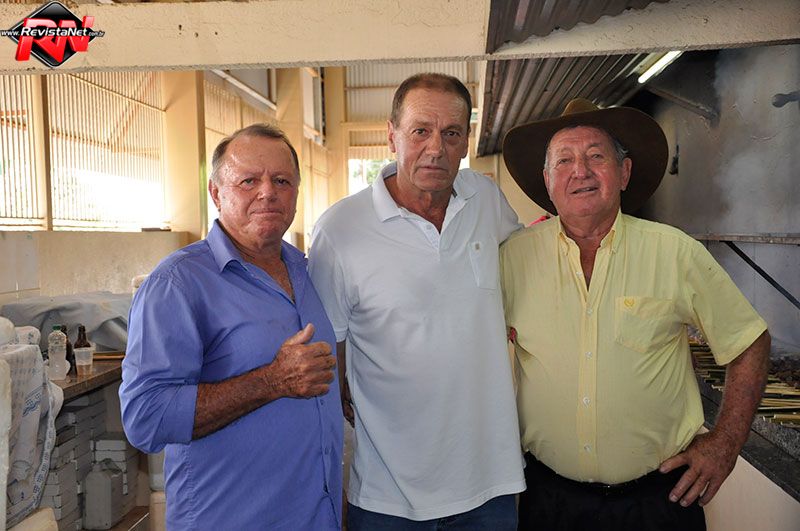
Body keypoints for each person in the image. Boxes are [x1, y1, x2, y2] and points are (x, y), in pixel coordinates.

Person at [500, 98, 771, 530]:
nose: (580, 171)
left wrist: (725, 443)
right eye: (564, 160)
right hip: (550, 502)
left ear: (623, 173)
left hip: (659, 501)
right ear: (548, 181)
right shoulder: (512, 259)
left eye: (596, 156)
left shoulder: (674, 252)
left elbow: (748, 342)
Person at [308, 73, 525, 530]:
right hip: (388, 497)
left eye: (451, 133)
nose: (435, 148)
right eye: (420, 131)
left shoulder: (485, 199)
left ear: (466, 141)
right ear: (392, 136)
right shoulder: (340, 229)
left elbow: (528, 273)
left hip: (490, 487)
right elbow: (328, 353)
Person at [119, 124, 343, 530]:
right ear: (216, 192)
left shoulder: (307, 271)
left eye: (281, 181)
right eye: (248, 181)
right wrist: (271, 381)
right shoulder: (178, 284)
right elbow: (145, 418)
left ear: (296, 192)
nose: (267, 192)